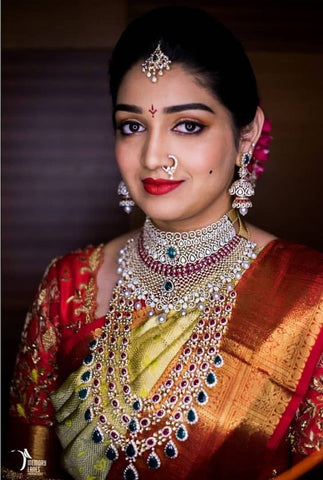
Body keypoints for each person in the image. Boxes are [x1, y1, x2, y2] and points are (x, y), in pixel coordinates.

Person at [4, 6, 322, 480]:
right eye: (132, 126)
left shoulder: (310, 298)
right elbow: (24, 467)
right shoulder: (67, 286)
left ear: (246, 134)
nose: (153, 157)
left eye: (188, 125)